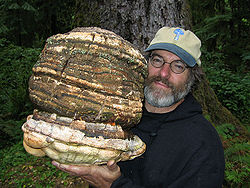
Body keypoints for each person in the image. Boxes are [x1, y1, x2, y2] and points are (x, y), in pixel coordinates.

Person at [52, 26, 225, 188]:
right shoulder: (117, 117)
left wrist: (114, 185)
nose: (163, 73)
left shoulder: (203, 144)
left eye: (178, 66)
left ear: (192, 77)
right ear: (146, 64)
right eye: (157, 60)